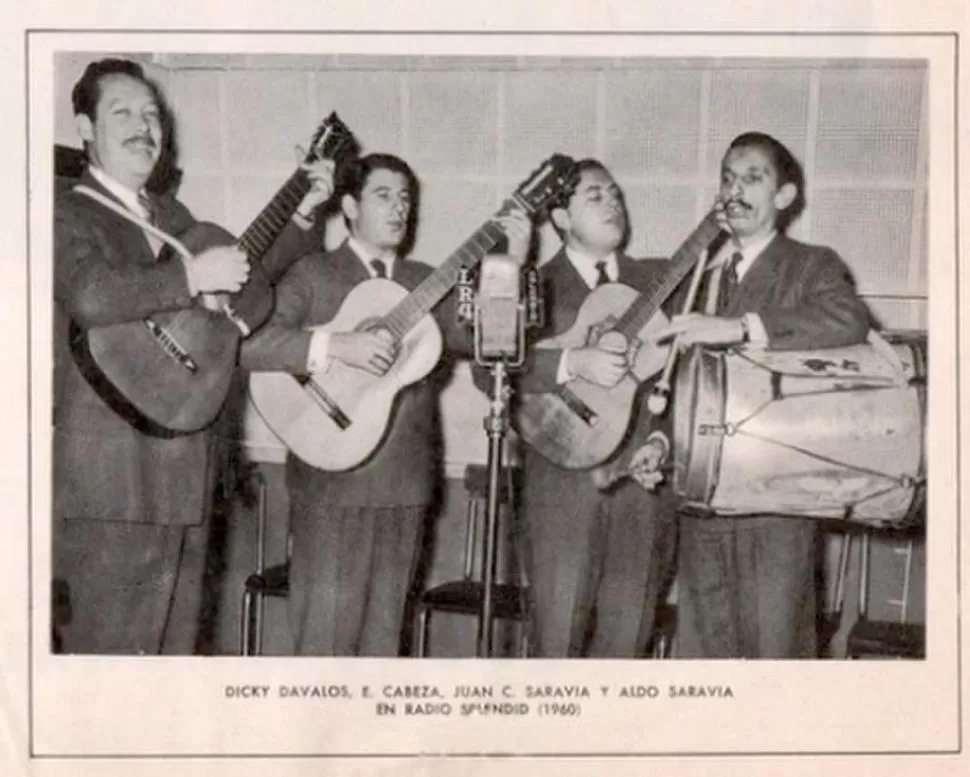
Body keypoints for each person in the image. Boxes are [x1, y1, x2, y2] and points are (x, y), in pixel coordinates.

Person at [53, 58, 335, 654]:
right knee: (109, 673)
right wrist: (188, 276)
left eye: (152, 114)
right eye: (122, 112)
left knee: (175, 666)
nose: (143, 126)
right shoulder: (63, 209)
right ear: (84, 128)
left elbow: (246, 277)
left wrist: (304, 211)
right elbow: (90, 293)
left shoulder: (176, 218)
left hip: (186, 466)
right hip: (110, 480)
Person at [239, 153, 531, 656]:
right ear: (349, 205)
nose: (400, 208)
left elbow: (492, 345)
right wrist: (335, 346)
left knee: (382, 648)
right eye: (384, 195)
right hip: (330, 482)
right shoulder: (314, 272)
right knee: (325, 646)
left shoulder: (429, 280)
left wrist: (511, 264)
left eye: (406, 198)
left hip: (405, 484)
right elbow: (251, 343)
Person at [640, 131, 871, 659]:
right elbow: (683, 386)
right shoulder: (700, 277)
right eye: (727, 178)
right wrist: (660, 443)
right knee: (705, 666)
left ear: (784, 197)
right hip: (702, 509)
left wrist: (742, 326)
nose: (734, 190)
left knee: (776, 663)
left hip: (776, 511)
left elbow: (848, 319)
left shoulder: (811, 263)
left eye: (752, 178)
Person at [503, 159, 678, 657]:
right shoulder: (532, 283)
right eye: (595, 196)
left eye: (616, 193)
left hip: (643, 493)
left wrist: (664, 441)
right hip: (562, 491)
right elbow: (488, 367)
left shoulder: (659, 281)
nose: (613, 203)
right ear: (560, 218)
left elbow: (688, 374)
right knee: (555, 648)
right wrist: (573, 360)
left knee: (627, 647)